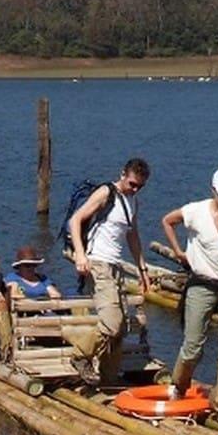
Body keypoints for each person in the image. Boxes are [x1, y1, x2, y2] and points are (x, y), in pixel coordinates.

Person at [161, 168, 218, 426]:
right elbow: (167, 221)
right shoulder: (195, 211)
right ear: (213, 191)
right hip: (201, 283)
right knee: (193, 346)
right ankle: (179, 386)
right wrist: (179, 251)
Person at [67, 157, 153, 385]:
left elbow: (132, 235)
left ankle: (108, 377)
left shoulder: (133, 201)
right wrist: (80, 254)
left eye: (140, 187)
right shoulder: (106, 193)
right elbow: (76, 220)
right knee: (111, 323)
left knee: (121, 327)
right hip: (98, 263)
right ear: (123, 174)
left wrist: (142, 268)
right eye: (132, 184)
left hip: (115, 266)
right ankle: (79, 355)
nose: (135, 189)